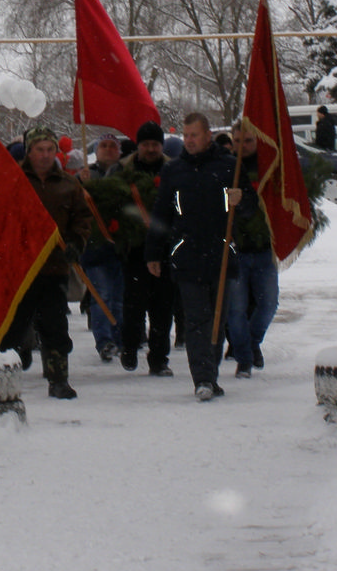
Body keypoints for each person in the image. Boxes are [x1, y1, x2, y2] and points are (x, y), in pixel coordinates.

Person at [145, 112, 254, 402]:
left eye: (194, 135)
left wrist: (240, 201)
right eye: (186, 135)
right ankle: (202, 378)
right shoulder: (174, 171)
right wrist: (154, 252)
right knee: (196, 320)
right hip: (187, 254)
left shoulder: (230, 167)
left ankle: (211, 373)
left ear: (208, 136)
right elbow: (161, 214)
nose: (189, 140)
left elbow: (250, 209)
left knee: (217, 319)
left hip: (221, 253)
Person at [0, 126, 92, 399]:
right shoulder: (11, 180)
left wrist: (76, 243)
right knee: (13, 326)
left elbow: (82, 219)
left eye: (50, 150)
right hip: (20, 269)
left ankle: (58, 377)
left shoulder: (68, 184)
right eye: (39, 149)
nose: (45, 155)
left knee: (55, 325)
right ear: (29, 151)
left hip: (54, 267)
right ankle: (3, 375)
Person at [118, 120, 175, 376]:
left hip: (166, 249)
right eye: (146, 144)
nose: (151, 149)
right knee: (134, 306)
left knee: (163, 308)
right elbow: (111, 201)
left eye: (155, 144)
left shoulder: (173, 170)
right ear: (138, 146)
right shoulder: (122, 171)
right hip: (134, 250)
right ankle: (129, 347)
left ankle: (159, 359)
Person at [225, 124, 279, 379]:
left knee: (268, 304)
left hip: (265, 248)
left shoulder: (269, 168)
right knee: (236, 309)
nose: (242, 145)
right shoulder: (226, 168)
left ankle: (251, 343)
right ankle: (244, 359)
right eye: (237, 140)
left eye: (247, 140)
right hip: (236, 248)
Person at [80, 133, 126, 362]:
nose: (108, 150)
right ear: (96, 150)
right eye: (103, 146)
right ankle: (104, 341)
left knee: (119, 297)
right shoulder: (86, 175)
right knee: (102, 296)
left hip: (121, 247)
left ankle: (119, 337)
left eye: (112, 146)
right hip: (95, 249)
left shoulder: (126, 175)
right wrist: (82, 184)